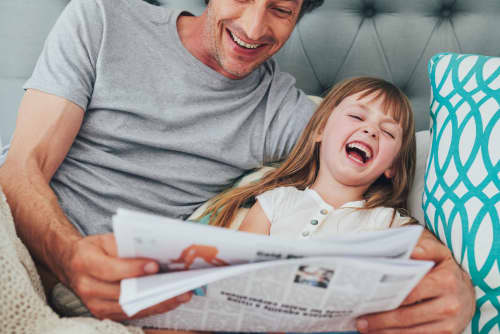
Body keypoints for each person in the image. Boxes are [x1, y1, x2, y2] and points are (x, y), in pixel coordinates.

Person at [0, 0, 475, 333]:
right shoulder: (101, 21)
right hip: (18, 237)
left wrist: (455, 286)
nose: (253, 27)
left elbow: (368, 177)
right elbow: (23, 166)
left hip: (128, 303)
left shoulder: (287, 114)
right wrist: (69, 256)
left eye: (281, 10)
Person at [206, 77, 417, 236]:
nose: (371, 131)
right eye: (356, 116)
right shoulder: (276, 202)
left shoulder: (389, 225)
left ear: (394, 166)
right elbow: (236, 270)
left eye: (388, 132)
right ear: (321, 130)